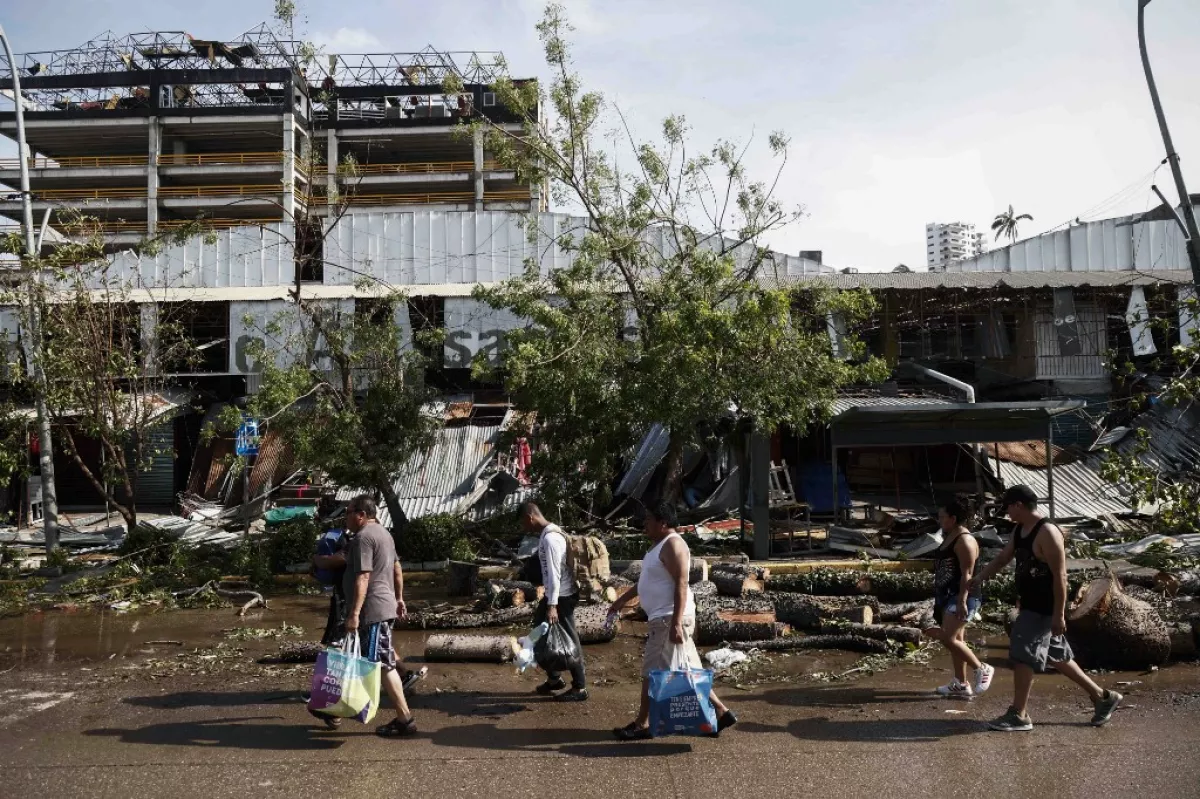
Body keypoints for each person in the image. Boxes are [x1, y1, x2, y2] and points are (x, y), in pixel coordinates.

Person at [972, 485, 1123, 731]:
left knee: (1022, 656)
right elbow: (1003, 558)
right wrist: (979, 578)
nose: (1007, 513)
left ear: (1019, 505)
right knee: (1058, 656)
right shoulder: (1020, 529)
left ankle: (1019, 714)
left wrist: (1058, 615)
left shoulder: (1048, 532)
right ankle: (1103, 697)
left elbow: (1060, 575)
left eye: (1008, 507)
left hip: (1043, 608)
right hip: (1030, 603)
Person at [607, 502, 737, 740]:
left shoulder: (673, 544)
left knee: (651, 673)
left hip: (669, 619)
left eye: (649, 519)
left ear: (663, 522)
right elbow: (645, 581)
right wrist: (620, 601)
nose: (644, 523)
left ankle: (642, 724)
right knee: (688, 669)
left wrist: (676, 622)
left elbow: (681, 584)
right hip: (665, 618)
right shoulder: (658, 546)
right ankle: (721, 712)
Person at [342, 495, 419, 738]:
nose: (346, 517)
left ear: (361, 515)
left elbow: (363, 576)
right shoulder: (385, 534)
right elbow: (396, 568)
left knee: (383, 665)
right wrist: (399, 598)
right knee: (381, 661)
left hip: (373, 610)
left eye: (348, 512)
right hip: (383, 607)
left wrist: (354, 614)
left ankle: (405, 719)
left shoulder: (363, 537)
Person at [920, 499, 994, 699]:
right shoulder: (950, 536)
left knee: (949, 638)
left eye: (942, 517)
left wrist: (962, 601)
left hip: (963, 597)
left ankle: (981, 668)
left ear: (953, 519)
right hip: (949, 595)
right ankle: (960, 683)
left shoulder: (964, 541)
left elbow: (967, 574)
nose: (939, 520)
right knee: (957, 640)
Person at [520, 502, 588, 701]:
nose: (524, 528)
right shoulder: (548, 534)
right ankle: (554, 679)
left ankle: (580, 688)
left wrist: (552, 605)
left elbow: (554, 574)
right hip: (555, 596)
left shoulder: (550, 539)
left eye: (523, 523)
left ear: (530, 517)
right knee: (540, 634)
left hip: (561, 597)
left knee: (570, 640)